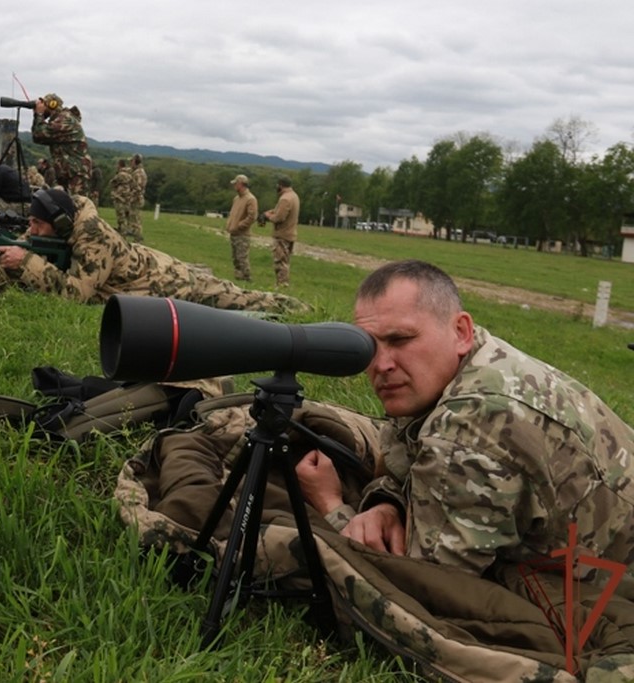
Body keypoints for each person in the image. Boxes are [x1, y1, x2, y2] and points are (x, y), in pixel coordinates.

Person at [296, 259, 634, 582]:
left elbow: (423, 587)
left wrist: (331, 505)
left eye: (401, 340)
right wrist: (387, 504)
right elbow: (403, 451)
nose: (381, 364)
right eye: (370, 346)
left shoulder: (472, 421)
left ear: (461, 330)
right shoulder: (467, 362)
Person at [0, 188, 307, 315]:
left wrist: (25, 261)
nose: (32, 231)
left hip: (170, 283)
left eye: (38, 224)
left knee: (243, 300)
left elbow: (74, 297)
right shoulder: (53, 227)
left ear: (60, 222)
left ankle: (300, 308)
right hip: (137, 284)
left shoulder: (93, 235)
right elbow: (23, 282)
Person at [31, 93, 94, 197]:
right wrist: (37, 116)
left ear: (52, 104)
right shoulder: (58, 120)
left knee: (76, 208)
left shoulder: (66, 119)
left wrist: (39, 115)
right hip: (67, 174)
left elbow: (41, 133)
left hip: (76, 174)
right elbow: (38, 137)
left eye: (44, 105)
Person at [262, 176, 300, 287]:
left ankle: (282, 285)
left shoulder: (285, 199)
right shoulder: (294, 196)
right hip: (290, 233)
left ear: (280, 185)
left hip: (282, 235)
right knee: (286, 261)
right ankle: (283, 284)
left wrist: (268, 217)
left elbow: (279, 218)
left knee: (280, 262)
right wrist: (272, 212)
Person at [225, 174, 257, 281]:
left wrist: (240, 226)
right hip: (234, 233)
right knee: (235, 258)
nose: (234, 186)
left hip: (242, 234)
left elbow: (252, 217)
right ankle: (238, 278)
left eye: (235, 183)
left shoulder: (250, 199)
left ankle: (247, 278)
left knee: (242, 258)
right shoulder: (236, 199)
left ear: (241, 184)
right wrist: (230, 225)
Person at [109, 159, 141, 242]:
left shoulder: (120, 175)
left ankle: (122, 237)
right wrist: (130, 195)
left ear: (119, 165)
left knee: (121, 219)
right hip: (127, 200)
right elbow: (137, 187)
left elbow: (112, 183)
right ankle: (132, 236)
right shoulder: (130, 175)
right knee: (127, 219)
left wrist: (116, 192)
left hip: (119, 199)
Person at [130, 154, 147, 237]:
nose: (131, 163)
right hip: (137, 198)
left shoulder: (138, 173)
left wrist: (131, 197)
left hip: (136, 199)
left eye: (132, 161)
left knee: (136, 219)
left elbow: (138, 187)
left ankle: (137, 238)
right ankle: (134, 234)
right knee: (134, 218)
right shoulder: (141, 171)